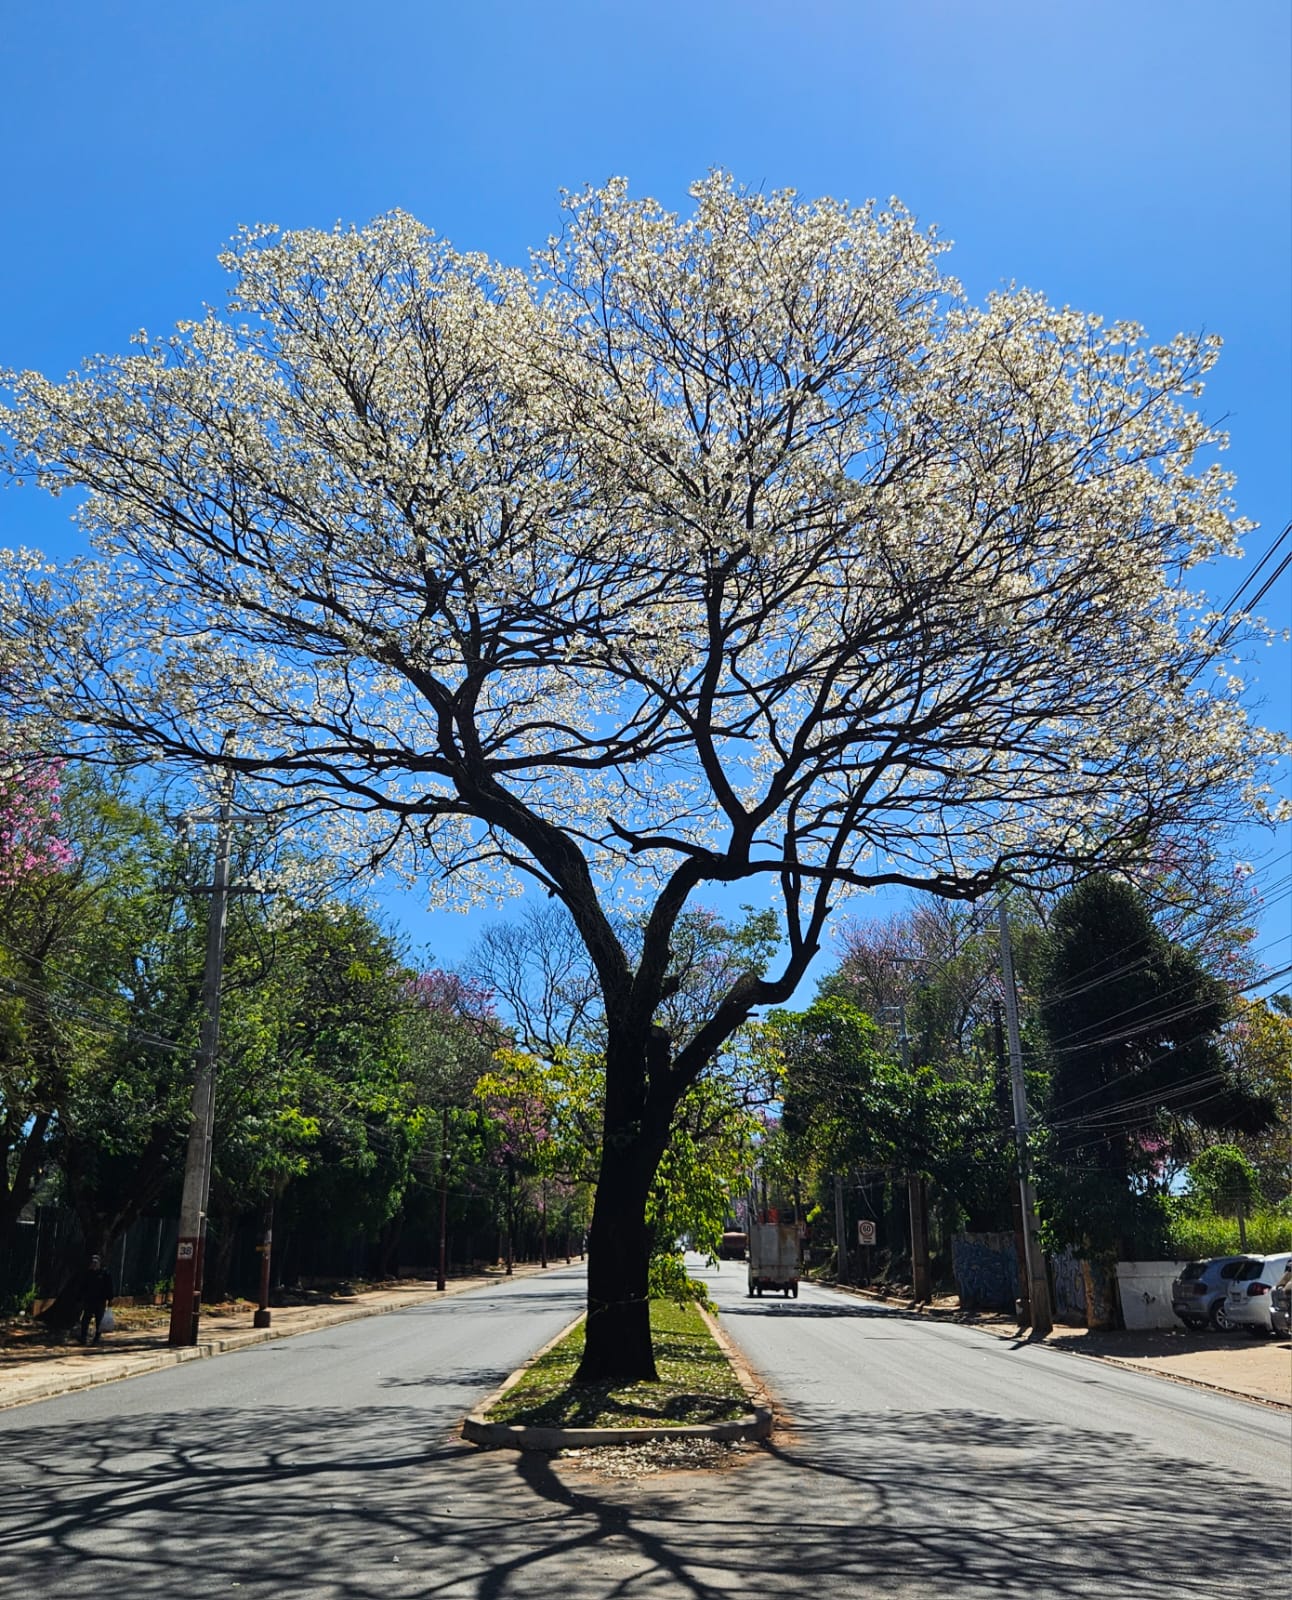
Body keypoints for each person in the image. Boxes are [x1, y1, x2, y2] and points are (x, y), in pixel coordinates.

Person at [78, 1254, 114, 1345]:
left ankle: (97, 1338)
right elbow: (83, 1287)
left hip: (100, 1301)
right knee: (85, 1320)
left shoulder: (105, 1274)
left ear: (99, 1263)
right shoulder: (88, 1274)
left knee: (99, 1321)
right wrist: (81, 1298)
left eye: (96, 1263)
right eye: (93, 1263)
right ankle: (83, 1338)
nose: (94, 1264)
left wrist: (110, 1300)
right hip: (89, 1301)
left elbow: (109, 1288)